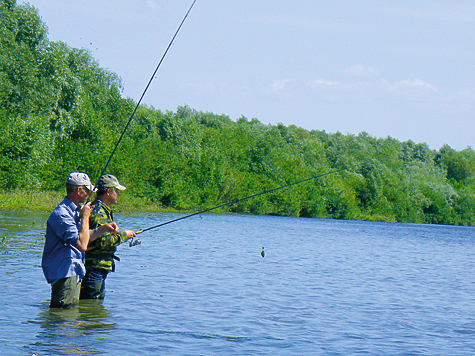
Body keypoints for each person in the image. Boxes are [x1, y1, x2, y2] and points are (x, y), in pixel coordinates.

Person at [42, 172, 118, 308]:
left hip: (74, 271)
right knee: (64, 318)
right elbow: (82, 244)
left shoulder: (75, 211)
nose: (90, 194)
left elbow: (83, 237)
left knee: (71, 319)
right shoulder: (62, 214)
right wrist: (84, 218)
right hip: (64, 273)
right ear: (78, 191)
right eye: (88, 191)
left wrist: (102, 230)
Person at [80, 174, 136, 300]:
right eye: (117, 191)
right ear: (109, 192)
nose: (118, 194)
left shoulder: (100, 209)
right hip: (93, 269)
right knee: (90, 308)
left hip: (97, 268)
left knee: (94, 309)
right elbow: (102, 241)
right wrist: (124, 235)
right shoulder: (98, 211)